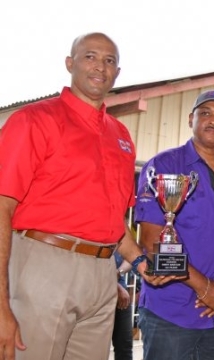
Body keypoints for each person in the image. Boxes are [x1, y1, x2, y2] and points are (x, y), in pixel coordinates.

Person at [0, 32, 172, 360]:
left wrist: (139, 262)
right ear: (70, 63)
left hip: (102, 273)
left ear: (117, 73)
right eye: (90, 56)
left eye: (110, 61)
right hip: (44, 262)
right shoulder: (34, 119)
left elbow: (112, 217)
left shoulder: (119, 135)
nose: (100, 66)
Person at [135, 89, 214, 360]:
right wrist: (206, 288)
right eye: (206, 113)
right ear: (191, 119)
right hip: (171, 312)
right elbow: (153, 242)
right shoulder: (164, 165)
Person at [112, 253, 133, 360]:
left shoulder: (124, 236)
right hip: (95, 290)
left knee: (124, 344)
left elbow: (131, 257)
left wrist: (118, 273)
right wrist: (115, 286)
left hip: (121, 291)